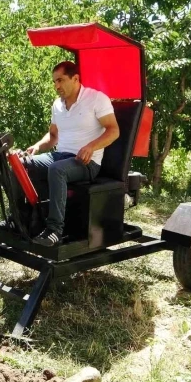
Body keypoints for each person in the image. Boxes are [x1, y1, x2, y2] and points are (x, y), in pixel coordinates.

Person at [15, 60, 119, 247]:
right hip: (60, 156)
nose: (56, 86)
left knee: (57, 170)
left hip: (87, 163)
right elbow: (53, 135)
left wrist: (91, 147)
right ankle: (22, 218)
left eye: (60, 80)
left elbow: (113, 131)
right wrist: (37, 147)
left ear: (75, 78)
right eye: (54, 82)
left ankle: (54, 230)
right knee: (22, 163)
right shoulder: (57, 105)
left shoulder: (96, 99)